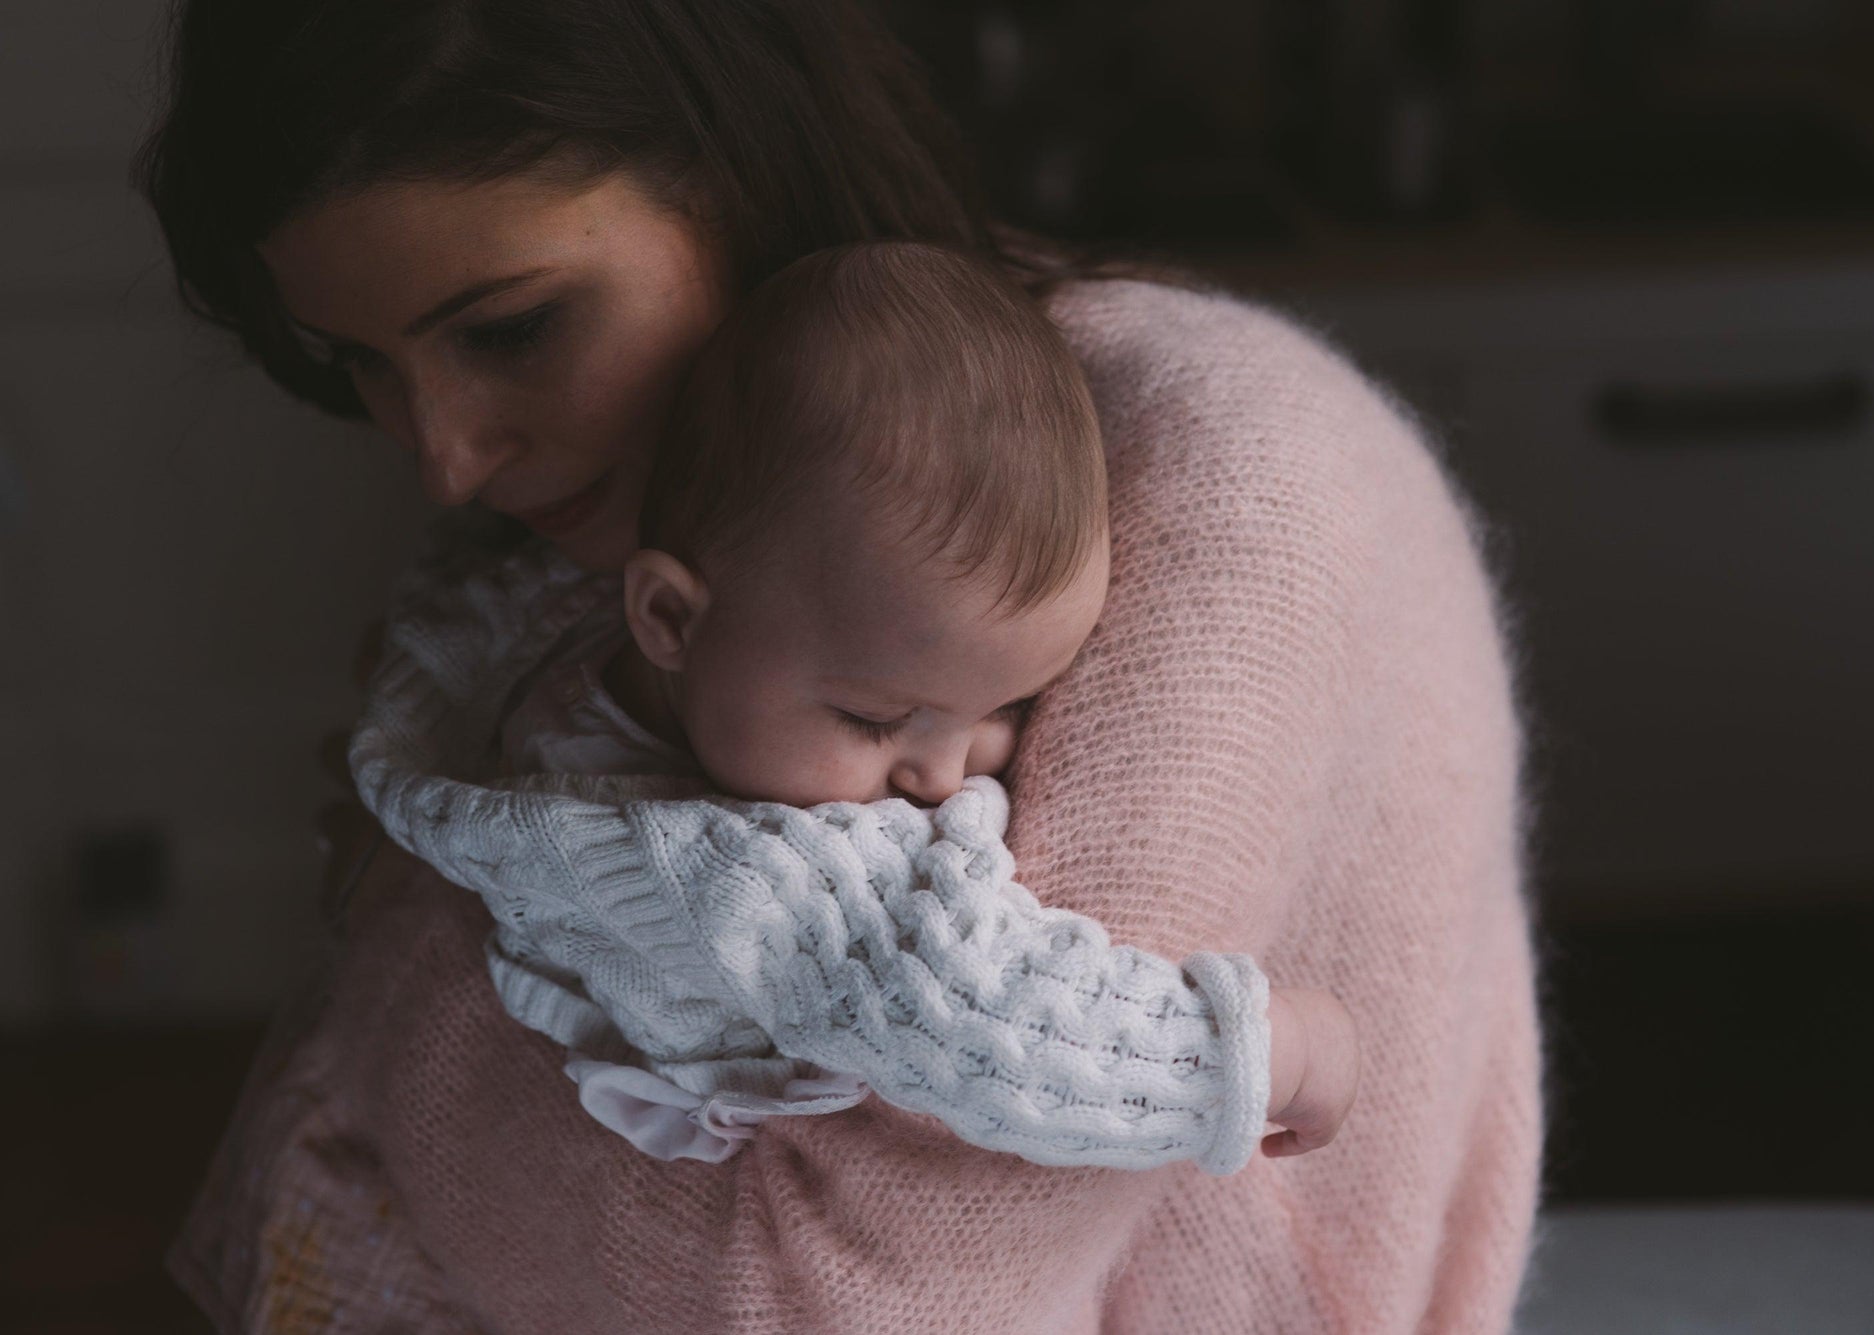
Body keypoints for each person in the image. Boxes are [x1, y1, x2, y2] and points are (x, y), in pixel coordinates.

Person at [141, 1, 1543, 1329]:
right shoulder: (703, 484)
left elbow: (821, 1300)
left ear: (731, 165)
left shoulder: (1209, 487)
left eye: (511, 328)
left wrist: (397, 934)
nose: (445, 461)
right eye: (362, 363)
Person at [354, 238, 1359, 1172]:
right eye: (876, 719)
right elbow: (993, 1020)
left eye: (1007, 705)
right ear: (666, 616)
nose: (940, 773)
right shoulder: (767, 875)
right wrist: (1255, 1052)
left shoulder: (542, 624)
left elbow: (444, 622)